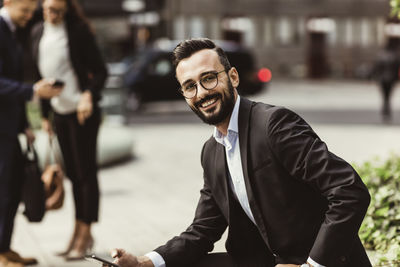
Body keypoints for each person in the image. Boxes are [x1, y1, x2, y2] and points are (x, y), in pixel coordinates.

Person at [106, 38, 372, 267]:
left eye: (209, 78)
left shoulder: (274, 125)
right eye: (190, 86)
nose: (201, 93)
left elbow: (349, 190)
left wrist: (313, 264)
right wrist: (144, 262)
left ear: (232, 77)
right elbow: (203, 230)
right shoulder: (211, 151)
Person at [30, 0, 108, 261]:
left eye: (57, 11)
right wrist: (44, 115)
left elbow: (100, 71)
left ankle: (84, 232)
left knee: (86, 174)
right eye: (47, 10)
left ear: (67, 10)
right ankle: (77, 232)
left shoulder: (77, 32)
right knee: (73, 175)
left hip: (82, 113)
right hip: (60, 114)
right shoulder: (38, 32)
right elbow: (41, 78)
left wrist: (88, 94)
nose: (51, 15)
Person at [0, 0, 62, 266]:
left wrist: (24, 123)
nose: (29, 16)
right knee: (3, 190)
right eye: (24, 10)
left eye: (31, 11)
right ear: (8, 1)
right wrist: (33, 91)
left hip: (9, 126)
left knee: (12, 188)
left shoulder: (10, 31)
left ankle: (4, 246)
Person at [372, 39, 400, 122]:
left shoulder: (381, 55)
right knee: (388, 96)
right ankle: (386, 110)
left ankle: (385, 110)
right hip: (390, 79)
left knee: (385, 96)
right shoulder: (395, 55)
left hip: (382, 79)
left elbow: (376, 68)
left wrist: (376, 77)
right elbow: (396, 68)